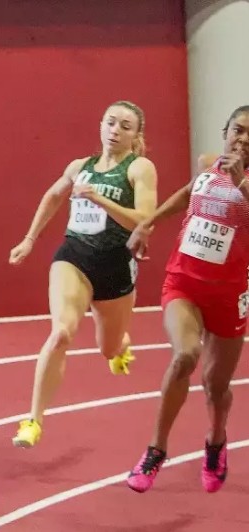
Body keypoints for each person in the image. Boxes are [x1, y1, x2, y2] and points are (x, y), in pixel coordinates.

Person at [8, 101, 158, 448]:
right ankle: (33, 421)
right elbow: (53, 196)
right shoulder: (80, 167)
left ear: (136, 136)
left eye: (125, 126)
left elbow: (144, 220)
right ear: (101, 125)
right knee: (61, 333)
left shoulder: (139, 168)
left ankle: (120, 345)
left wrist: (100, 199)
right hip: (74, 256)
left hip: (115, 266)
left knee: (108, 349)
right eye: (110, 122)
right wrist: (29, 239)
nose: (115, 131)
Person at [125, 105, 249, 494]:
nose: (243, 139)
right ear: (226, 131)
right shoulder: (208, 163)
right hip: (184, 282)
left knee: (215, 384)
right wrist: (148, 222)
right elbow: (187, 192)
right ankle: (156, 449)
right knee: (185, 355)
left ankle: (215, 440)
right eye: (238, 130)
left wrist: (241, 183)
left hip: (229, 294)